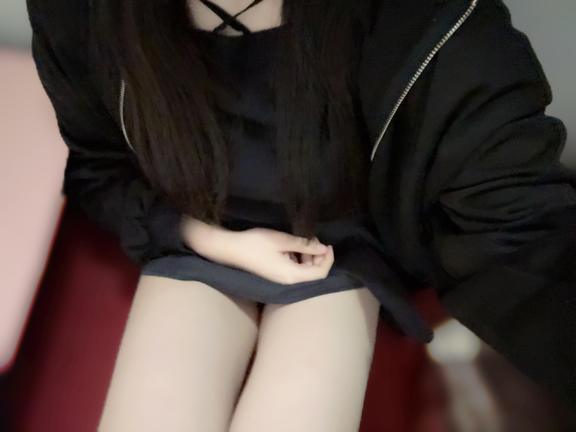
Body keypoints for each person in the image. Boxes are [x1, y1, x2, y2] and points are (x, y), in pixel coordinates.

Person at [26, 0, 576, 430]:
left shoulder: (429, 21)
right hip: (196, 230)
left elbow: (520, 225)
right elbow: (99, 167)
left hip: (338, 248)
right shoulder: (85, 13)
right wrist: (206, 238)